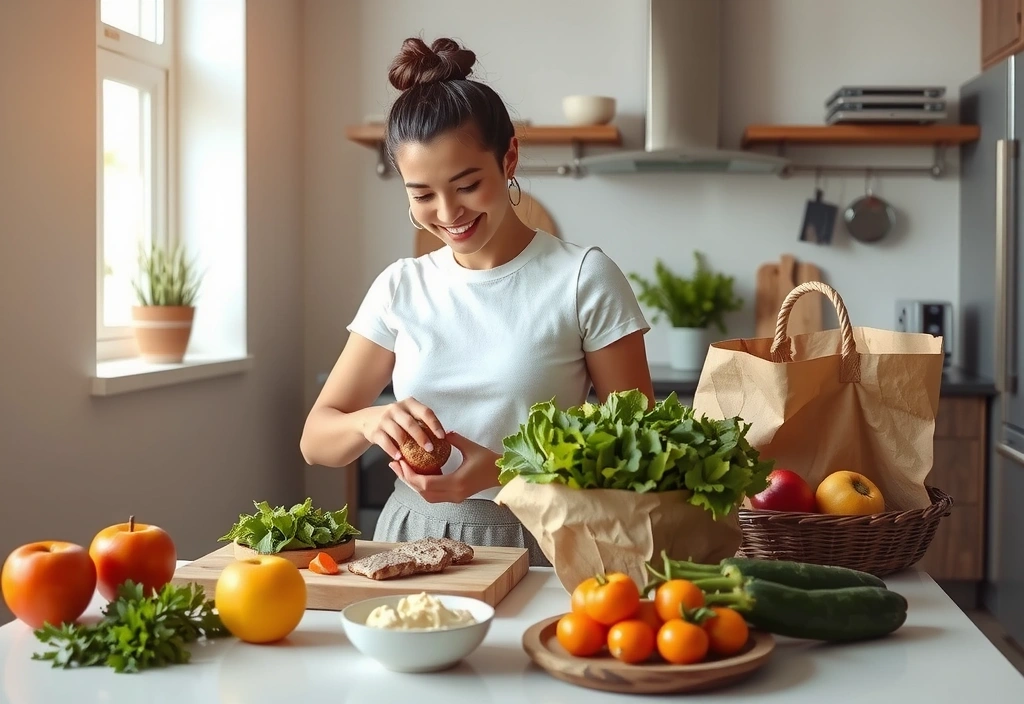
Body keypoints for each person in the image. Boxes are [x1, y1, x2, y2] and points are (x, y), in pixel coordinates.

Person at [299, 36, 655, 567]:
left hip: (543, 540)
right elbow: (316, 440)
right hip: (409, 541)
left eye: (466, 185)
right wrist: (370, 422)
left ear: (508, 158)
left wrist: (511, 468)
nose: (448, 214)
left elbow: (642, 449)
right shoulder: (401, 286)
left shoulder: (583, 278)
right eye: (422, 194)